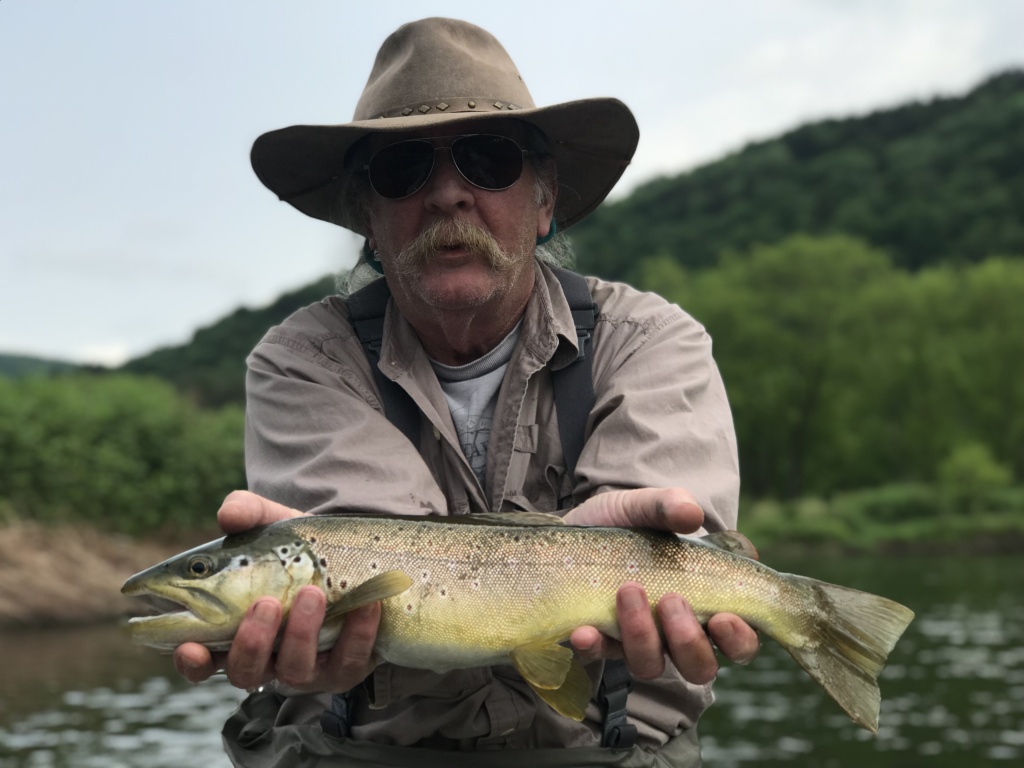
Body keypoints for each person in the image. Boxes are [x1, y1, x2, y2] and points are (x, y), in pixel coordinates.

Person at [174, 17, 759, 768]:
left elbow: (669, 557)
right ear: (368, 221)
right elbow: (391, 573)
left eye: (488, 160)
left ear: (545, 202)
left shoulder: (650, 340)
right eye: (403, 169)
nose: (448, 194)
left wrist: (622, 555)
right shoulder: (301, 359)